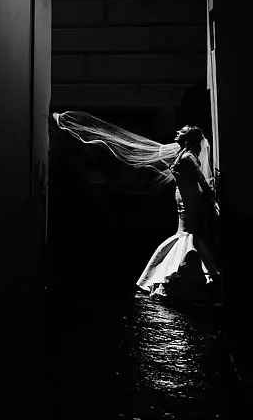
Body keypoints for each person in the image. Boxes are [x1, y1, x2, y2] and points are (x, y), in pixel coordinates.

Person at [53, 112, 221, 305]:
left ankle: (202, 274)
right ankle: (195, 274)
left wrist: (212, 201)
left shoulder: (189, 157)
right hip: (182, 198)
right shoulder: (181, 153)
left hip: (190, 199)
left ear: (189, 138)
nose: (177, 131)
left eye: (182, 131)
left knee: (188, 233)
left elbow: (201, 180)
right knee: (185, 233)